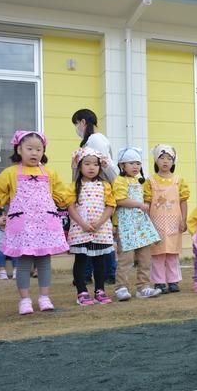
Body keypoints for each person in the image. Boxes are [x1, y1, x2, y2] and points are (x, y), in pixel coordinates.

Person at [0, 131, 69, 315]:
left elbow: (62, 194)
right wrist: (4, 201)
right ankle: (25, 300)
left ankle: (44, 297)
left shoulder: (49, 172)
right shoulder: (10, 172)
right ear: (19, 149)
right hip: (22, 225)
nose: (34, 153)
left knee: (44, 262)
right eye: (29, 149)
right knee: (24, 263)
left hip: (45, 224)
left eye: (39, 149)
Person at [71, 109, 118, 283]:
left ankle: (102, 274)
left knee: (101, 235)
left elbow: (100, 165)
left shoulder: (94, 139)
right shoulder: (100, 138)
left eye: (76, 124)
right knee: (98, 235)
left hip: (99, 191)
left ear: (82, 122)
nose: (76, 128)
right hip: (99, 190)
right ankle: (94, 275)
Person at [66, 148, 115, 306]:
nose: (92, 167)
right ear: (79, 166)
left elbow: (110, 205)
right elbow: (71, 207)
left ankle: (100, 290)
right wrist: (82, 223)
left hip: (101, 229)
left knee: (99, 260)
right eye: (87, 164)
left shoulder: (105, 185)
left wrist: (100, 221)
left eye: (95, 164)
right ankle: (81, 291)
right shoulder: (74, 186)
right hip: (81, 229)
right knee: (81, 260)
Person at [112, 147, 161, 301]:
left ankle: (143, 287)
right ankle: (121, 287)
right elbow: (120, 200)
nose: (135, 167)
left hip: (141, 225)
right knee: (125, 259)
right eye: (131, 163)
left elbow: (147, 198)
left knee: (146, 258)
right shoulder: (119, 181)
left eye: (138, 163)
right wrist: (140, 205)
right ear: (122, 165)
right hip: (126, 226)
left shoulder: (141, 181)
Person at [143, 144, 189, 294]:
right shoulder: (150, 181)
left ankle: (173, 281)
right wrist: (147, 223)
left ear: (173, 161)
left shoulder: (179, 180)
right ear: (156, 161)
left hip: (174, 222)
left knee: (172, 253)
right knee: (157, 253)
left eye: (169, 158)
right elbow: (147, 202)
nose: (165, 161)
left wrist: (184, 219)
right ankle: (159, 282)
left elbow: (183, 201)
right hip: (156, 223)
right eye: (161, 158)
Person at [0, 208, 17, 280]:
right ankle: (2, 271)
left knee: (15, 251)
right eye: (0, 216)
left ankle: (16, 270)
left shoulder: (12, 229)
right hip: (0, 252)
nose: (4, 217)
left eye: (5, 215)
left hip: (11, 250)